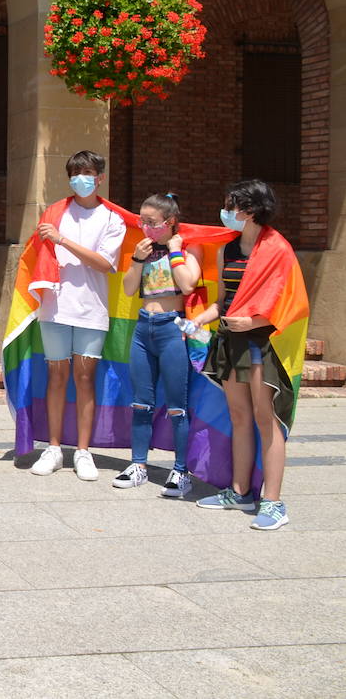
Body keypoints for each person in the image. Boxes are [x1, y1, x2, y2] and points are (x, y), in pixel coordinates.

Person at [192, 180, 306, 531]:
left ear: (251, 210)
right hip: (232, 342)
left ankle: (273, 502)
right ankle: (240, 491)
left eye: (232, 206)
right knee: (239, 416)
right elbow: (223, 299)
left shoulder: (278, 249)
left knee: (265, 418)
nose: (227, 212)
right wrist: (199, 319)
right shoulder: (226, 250)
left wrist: (253, 321)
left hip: (264, 343)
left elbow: (292, 301)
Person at [28, 150, 126, 481]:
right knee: (56, 377)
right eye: (74, 173)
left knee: (85, 379)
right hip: (55, 307)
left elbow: (105, 264)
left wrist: (63, 240)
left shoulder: (113, 219)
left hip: (91, 309)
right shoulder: (55, 211)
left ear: (100, 177)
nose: (80, 178)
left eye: (86, 172)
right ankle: (54, 447)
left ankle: (83, 452)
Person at [114, 192, 201, 493]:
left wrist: (175, 251)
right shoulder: (142, 250)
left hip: (172, 328)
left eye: (151, 222)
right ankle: (138, 464)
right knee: (141, 402)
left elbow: (188, 283)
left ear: (170, 222)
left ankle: (181, 471)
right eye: (142, 221)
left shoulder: (190, 249)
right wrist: (137, 258)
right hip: (143, 328)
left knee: (178, 406)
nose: (145, 227)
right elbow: (127, 288)